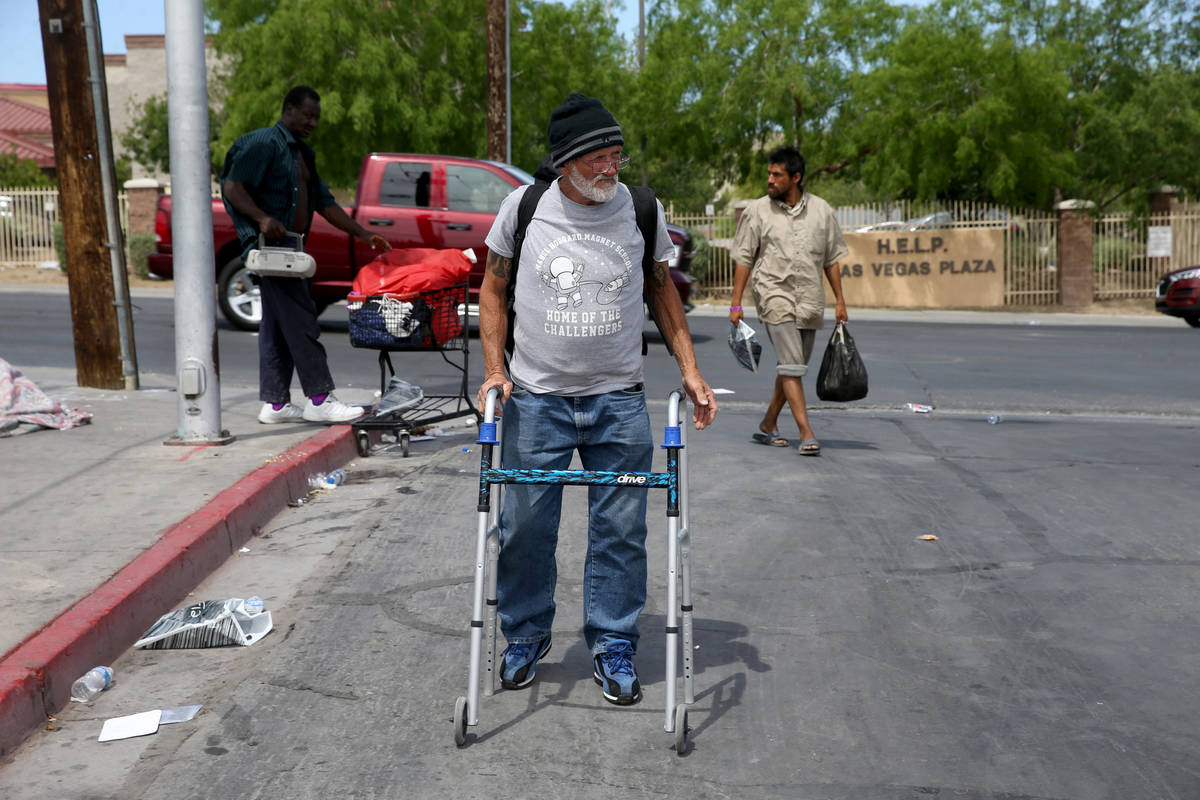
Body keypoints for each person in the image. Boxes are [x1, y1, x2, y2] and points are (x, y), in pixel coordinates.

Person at [476, 93, 718, 706]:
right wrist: (493, 371)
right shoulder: (524, 206)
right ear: (566, 165)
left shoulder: (640, 208)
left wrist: (690, 369)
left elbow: (661, 289)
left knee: (621, 528)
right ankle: (525, 637)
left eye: (617, 155)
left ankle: (613, 642)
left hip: (619, 400)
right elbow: (494, 289)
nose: (614, 168)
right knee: (525, 526)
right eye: (600, 159)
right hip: (536, 400)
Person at [221, 85, 390, 424]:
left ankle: (276, 403)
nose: (313, 122)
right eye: (308, 115)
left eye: (317, 118)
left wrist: (362, 233)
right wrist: (262, 219)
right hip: (271, 248)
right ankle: (319, 398)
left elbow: (325, 203)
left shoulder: (302, 154)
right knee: (301, 323)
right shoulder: (263, 143)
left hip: (291, 247)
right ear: (289, 110)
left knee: (278, 327)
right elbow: (232, 187)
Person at [728, 146, 848, 456]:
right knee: (792, 366)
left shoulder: (822, 211)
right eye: (769, 173)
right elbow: (743, 258)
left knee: (792, 366)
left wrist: (840, 301)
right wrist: (736, 303)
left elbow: (832, 259)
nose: (769, 179)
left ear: (795, 177)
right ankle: (806, 432)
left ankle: (769, 422)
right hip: (773, 295)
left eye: (776, 175)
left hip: (810, 298)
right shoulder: (758, 211)